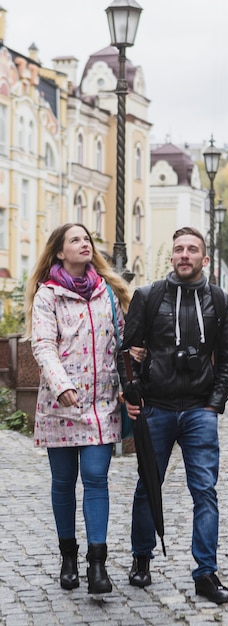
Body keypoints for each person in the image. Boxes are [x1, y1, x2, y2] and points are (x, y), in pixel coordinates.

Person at [122, 226, 228, 604]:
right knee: (147, 487)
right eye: (179, 249)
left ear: (204, 259)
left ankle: (205, 572)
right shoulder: (148, 296)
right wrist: (134, 392)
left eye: (192, 250)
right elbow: (128, 352)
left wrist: (214, 402)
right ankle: (142, 557)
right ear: (171, 257)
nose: (185, 255)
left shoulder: (219, 300)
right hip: (155, 408)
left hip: (198, 411)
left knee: (204, 491)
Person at [24, 223, 131, 595]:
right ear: (59, 253)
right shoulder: (47, 296)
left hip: (102, 403)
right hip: (61, 406)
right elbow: (42, 345)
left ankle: (97, 565)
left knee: (97, 477)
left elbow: (122, 338)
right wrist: (62, 384)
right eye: (76, 240)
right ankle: (68, 556)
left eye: (87, 239)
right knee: (64, 483)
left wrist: (135, 355)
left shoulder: (107, 292)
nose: (85, 244)